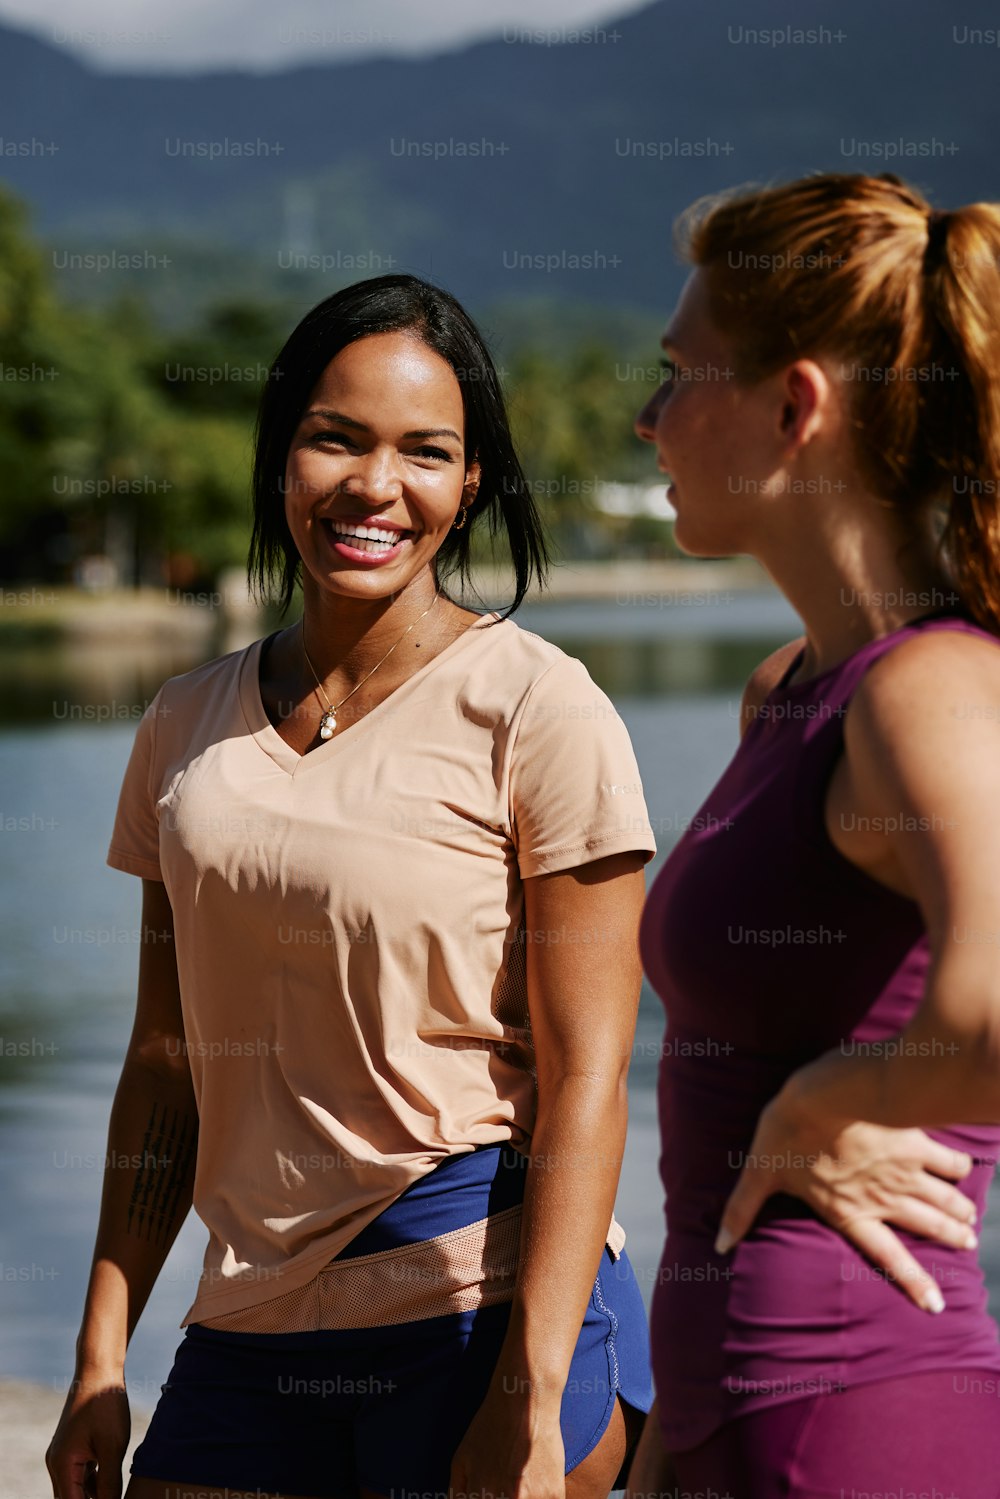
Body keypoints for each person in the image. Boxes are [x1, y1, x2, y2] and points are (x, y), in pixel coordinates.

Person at [45, 273, 660, 1499]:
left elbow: (590, 1073)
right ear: (282, 454)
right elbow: (168, 1059)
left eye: (425, 452)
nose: (376, 486)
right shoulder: (183, 724)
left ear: (470, 483)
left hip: (470, 1297)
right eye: (336, 438)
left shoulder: (538, 706)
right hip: (248, 1315)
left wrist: (530, 1394)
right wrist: (100, 1353)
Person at [626, 171, 1000, 1498]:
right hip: (727, 1406)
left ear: (794, 407)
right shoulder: (792, 689)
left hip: (856, 1406)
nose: (646, 418)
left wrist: (823, 1101)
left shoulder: (931, 685)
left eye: (678, 375)